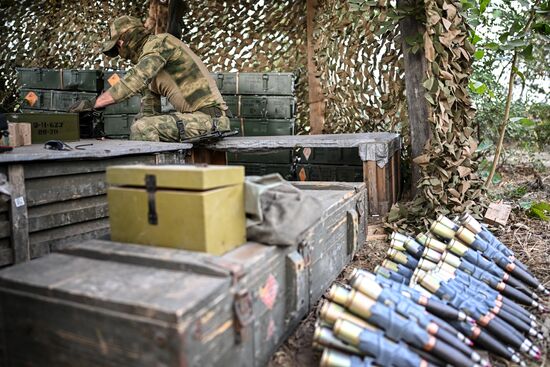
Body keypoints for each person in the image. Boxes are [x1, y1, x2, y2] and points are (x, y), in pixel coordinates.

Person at [70, 15, 230, 142]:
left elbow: (135, 80)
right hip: (198, 120)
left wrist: (93, 104)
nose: (120, 53)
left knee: (142, 128)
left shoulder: (161, 43)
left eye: (118, 46)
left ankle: (150, 180)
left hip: (211, 119)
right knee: (139, 125)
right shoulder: (150, 64)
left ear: (124, 40)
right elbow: (149, 113)